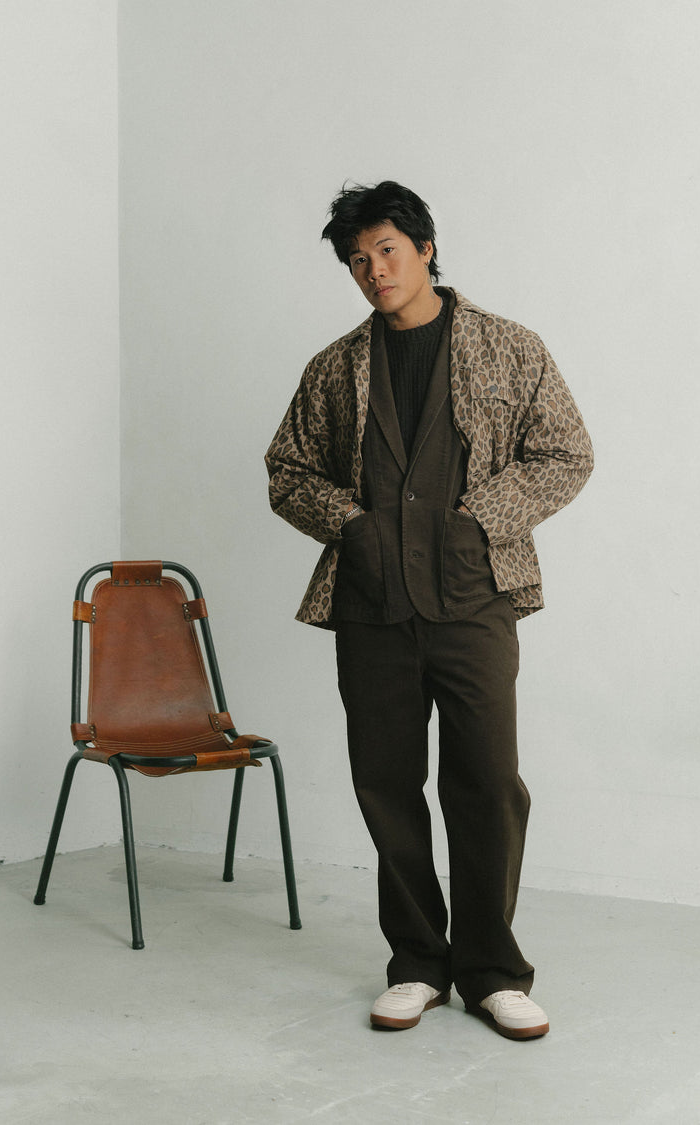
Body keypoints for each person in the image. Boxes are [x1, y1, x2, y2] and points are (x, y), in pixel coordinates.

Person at [265, 181, 593, 1039]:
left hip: (475, 600)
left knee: (487, 782)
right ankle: (416, 961)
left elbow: (566, 452)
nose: (374, 270)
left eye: (386, 250)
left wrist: (483, 518)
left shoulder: (509, 347)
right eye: (357, 260)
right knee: (386, 783)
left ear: (425, 248)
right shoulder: (334, 368)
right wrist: (352, 525)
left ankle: (492, 970)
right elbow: (287, 471)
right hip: (371, 605)